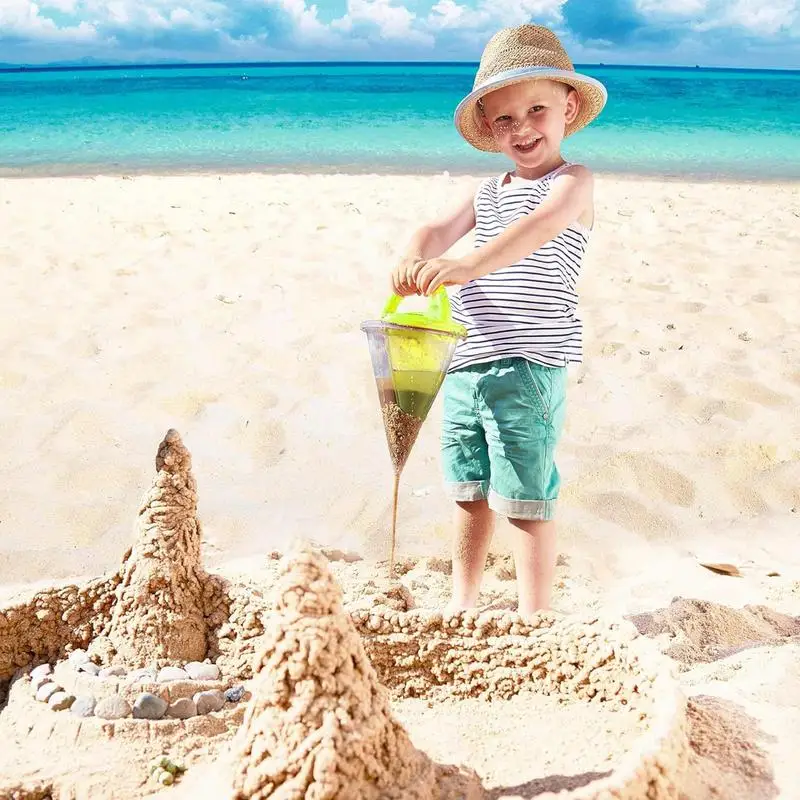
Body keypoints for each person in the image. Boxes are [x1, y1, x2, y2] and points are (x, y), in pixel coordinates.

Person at [390, 24, 608, 617]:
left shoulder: (573, 183)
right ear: (488, 128)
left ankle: (534, 614)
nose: (523, 128)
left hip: (528, 363)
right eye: (505, 119)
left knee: (525, 492)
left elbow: (534, 231)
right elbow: (435, 230)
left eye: (536, 109)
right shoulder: (488, 190)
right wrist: (416, 251)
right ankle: (464, 603)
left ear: (567, 107)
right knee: (469, 491)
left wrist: (467, 263)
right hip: (465, 361)